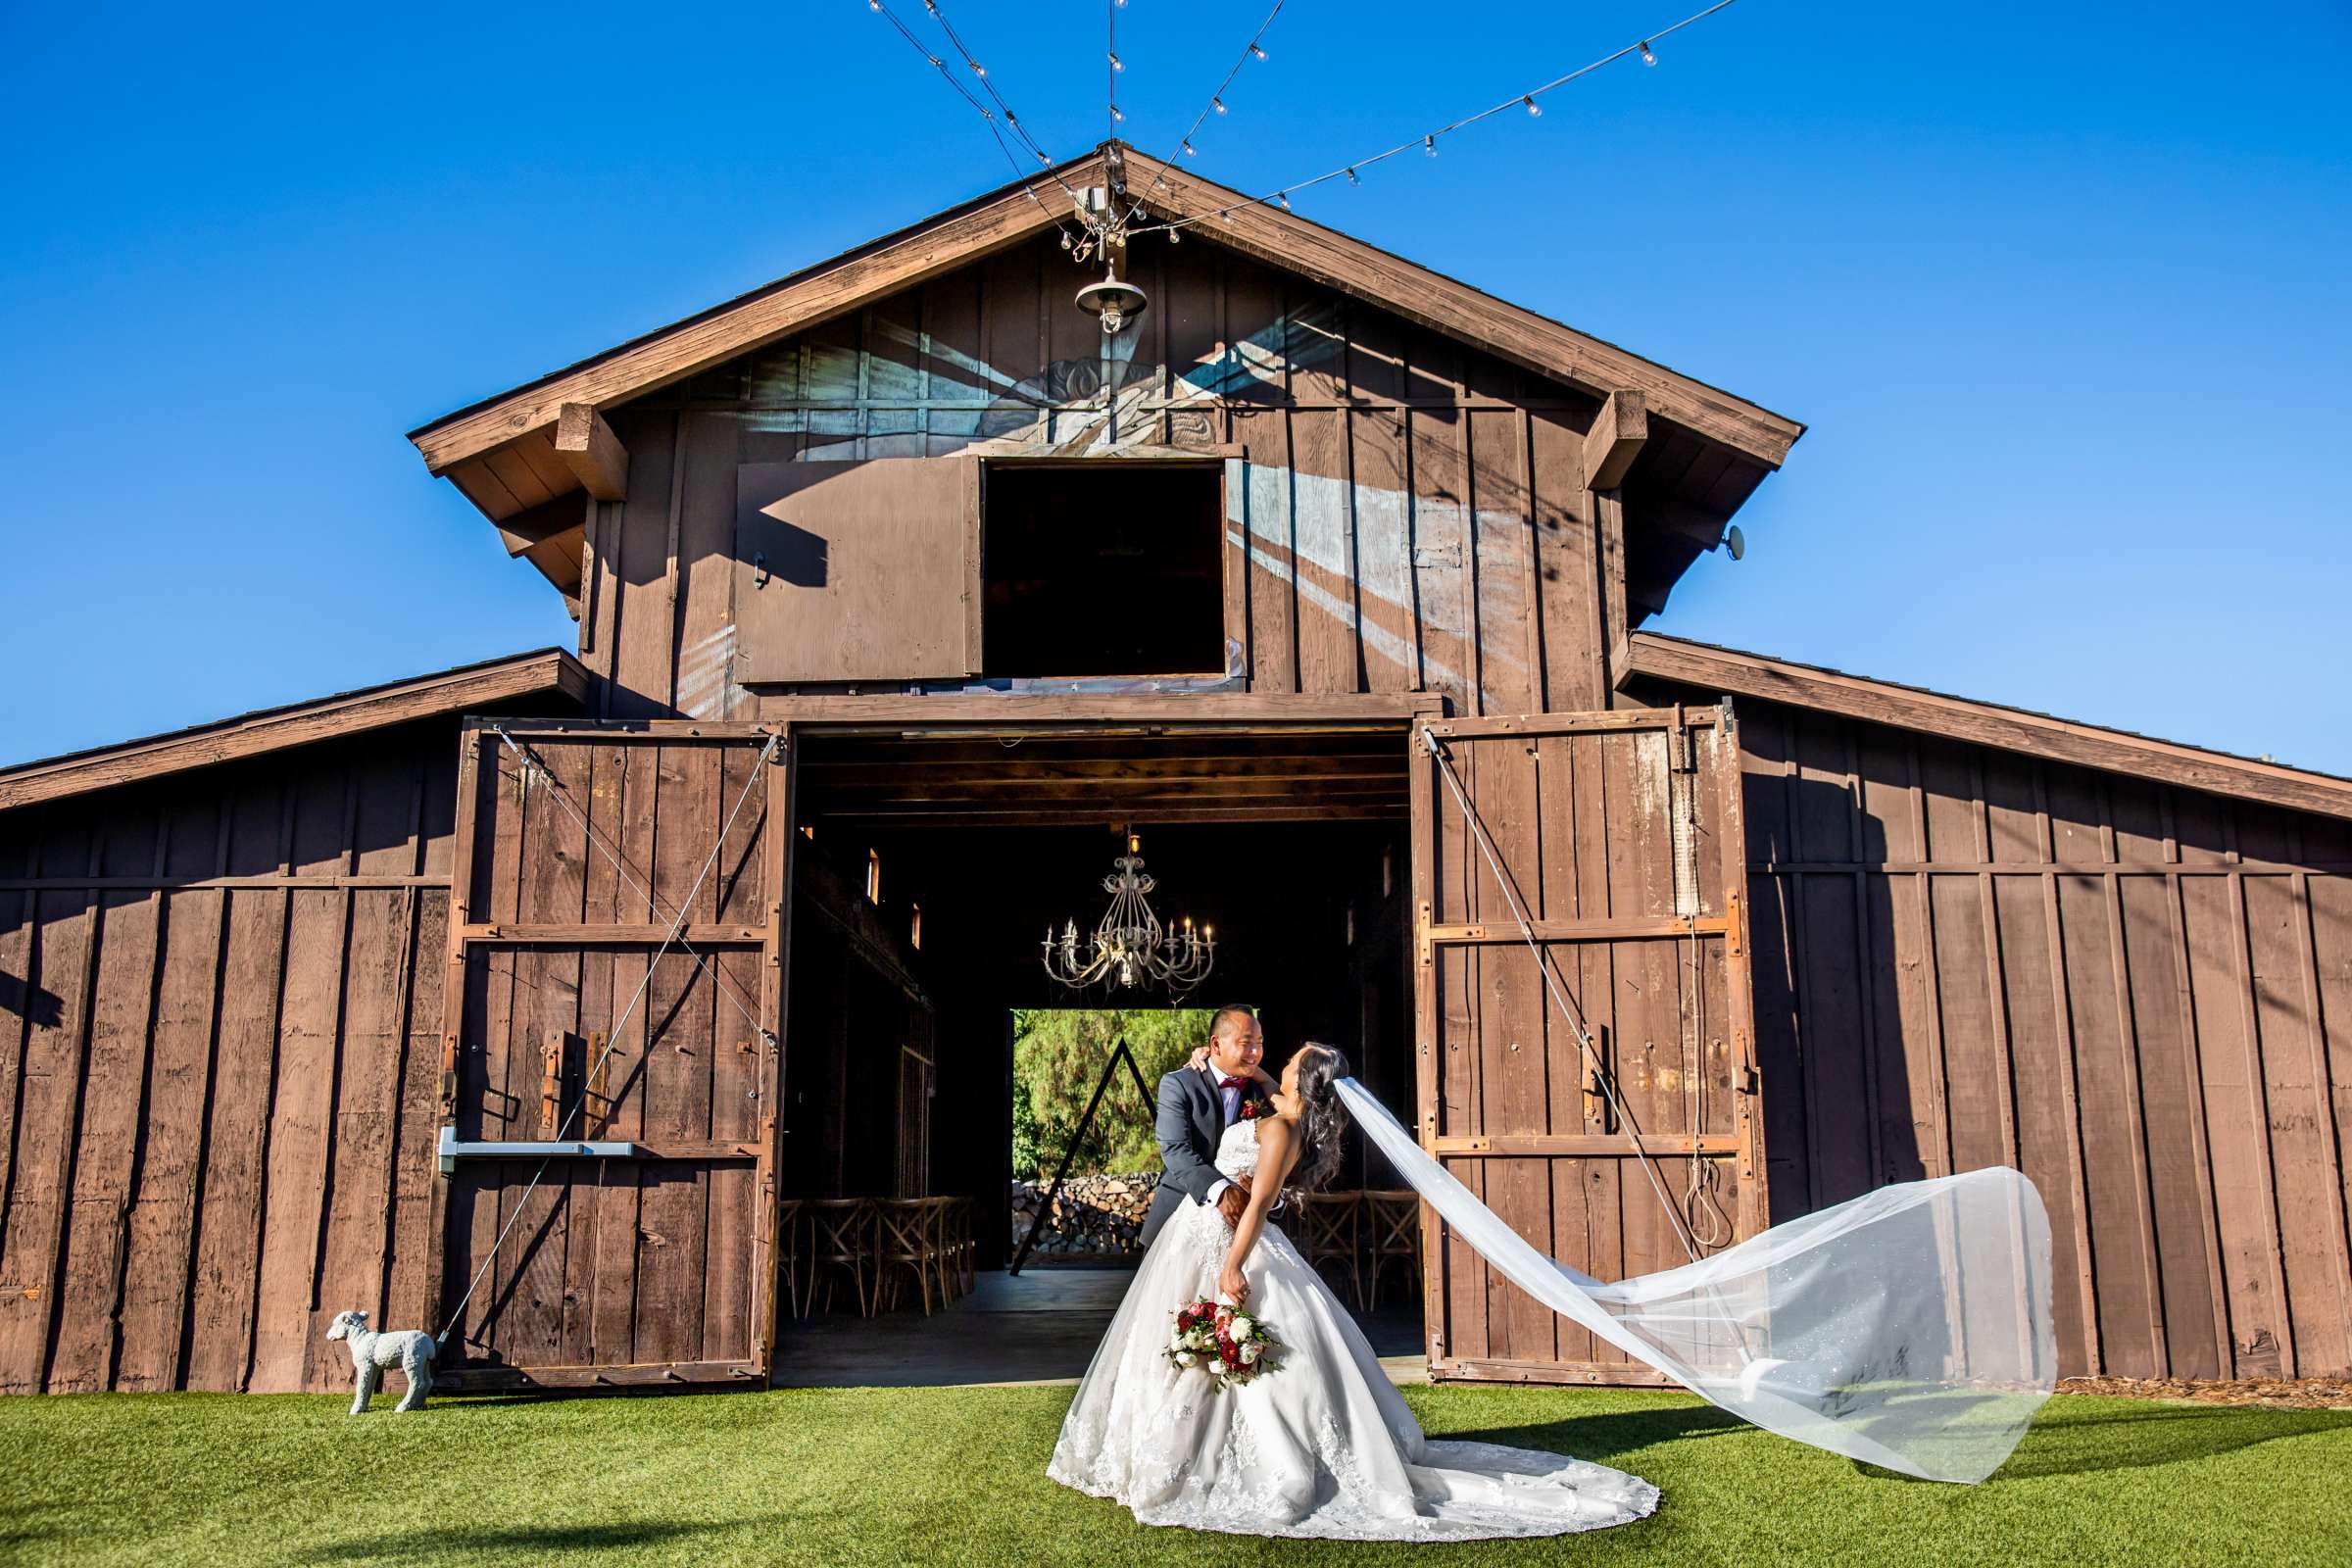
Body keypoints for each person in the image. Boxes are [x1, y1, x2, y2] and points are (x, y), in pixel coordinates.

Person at [1049, 1041, 1658, 1541]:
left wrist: (1234, 1266)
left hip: (1230, 1241)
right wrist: (1233, 1066)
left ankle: (1251, 1460)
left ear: (1302, 1079)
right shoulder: (1278, 1106)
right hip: (1196, 1232)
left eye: (1289, 1059)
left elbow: (1259, 1203)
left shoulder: (1282, 1128)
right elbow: (1264, 1095)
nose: (1276, 1058)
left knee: (1246, 1358)